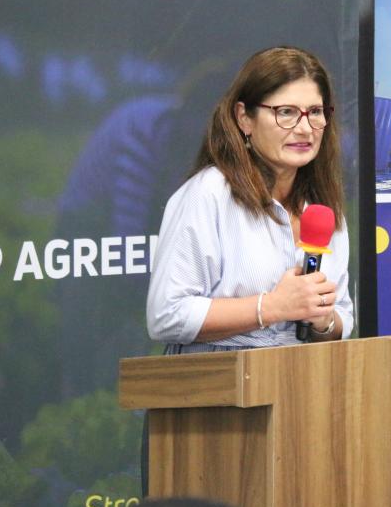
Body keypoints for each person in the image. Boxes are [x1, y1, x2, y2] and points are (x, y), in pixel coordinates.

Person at [146, 46, 354, 353]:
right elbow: (167, 315)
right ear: (245, 119)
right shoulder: (209, 194)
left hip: (303, 381)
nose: (304, 128)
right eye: (286, 112)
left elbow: (344, 317)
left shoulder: (322, 208)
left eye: (315, 112)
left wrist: (322, 320)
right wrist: (271, 307)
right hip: (219, 385)